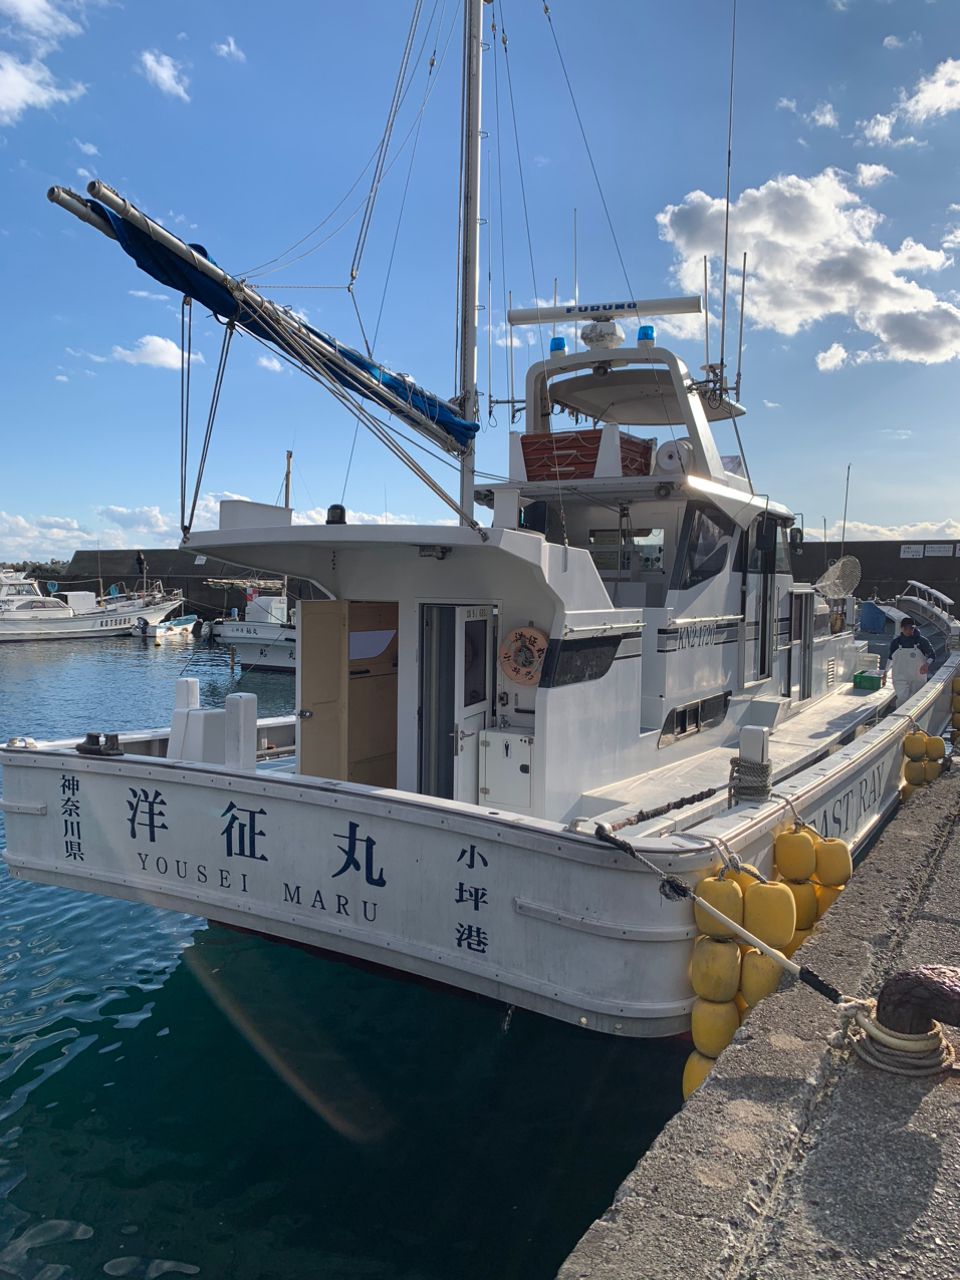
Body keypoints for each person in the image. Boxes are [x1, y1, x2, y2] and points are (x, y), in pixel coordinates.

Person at [882, 617, 935, 707]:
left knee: (917, 702)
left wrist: (926, 664)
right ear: (902, 628)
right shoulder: (896, 643)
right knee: (902, 699)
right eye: (906, 628)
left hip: (917, 677)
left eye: (911, 628)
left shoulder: (922, 641)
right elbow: (891, 658)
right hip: (900, 676)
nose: (909, 630)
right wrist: (886, 672)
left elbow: (932, 655)